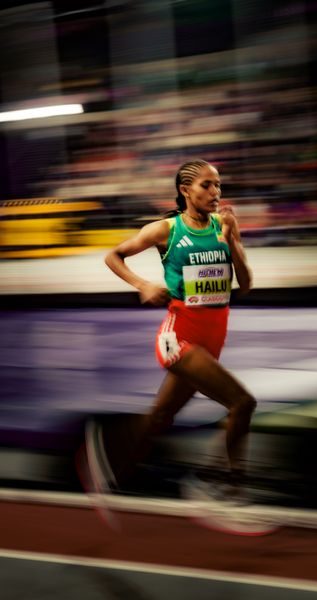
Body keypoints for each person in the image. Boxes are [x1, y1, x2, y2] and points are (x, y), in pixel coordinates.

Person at [82, 159, 271, 534]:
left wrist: (232, 240)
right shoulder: (166, 229)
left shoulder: (223, 226)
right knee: (242, 403)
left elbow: (245, 285)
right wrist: (143, 285)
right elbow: (112, 256)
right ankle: (227, 488)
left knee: (159, 419)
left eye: (218, 185)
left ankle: (103, 457)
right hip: (178, 338)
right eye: (206, 186)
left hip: (212, 338)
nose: (216, 193)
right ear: (186, 191)